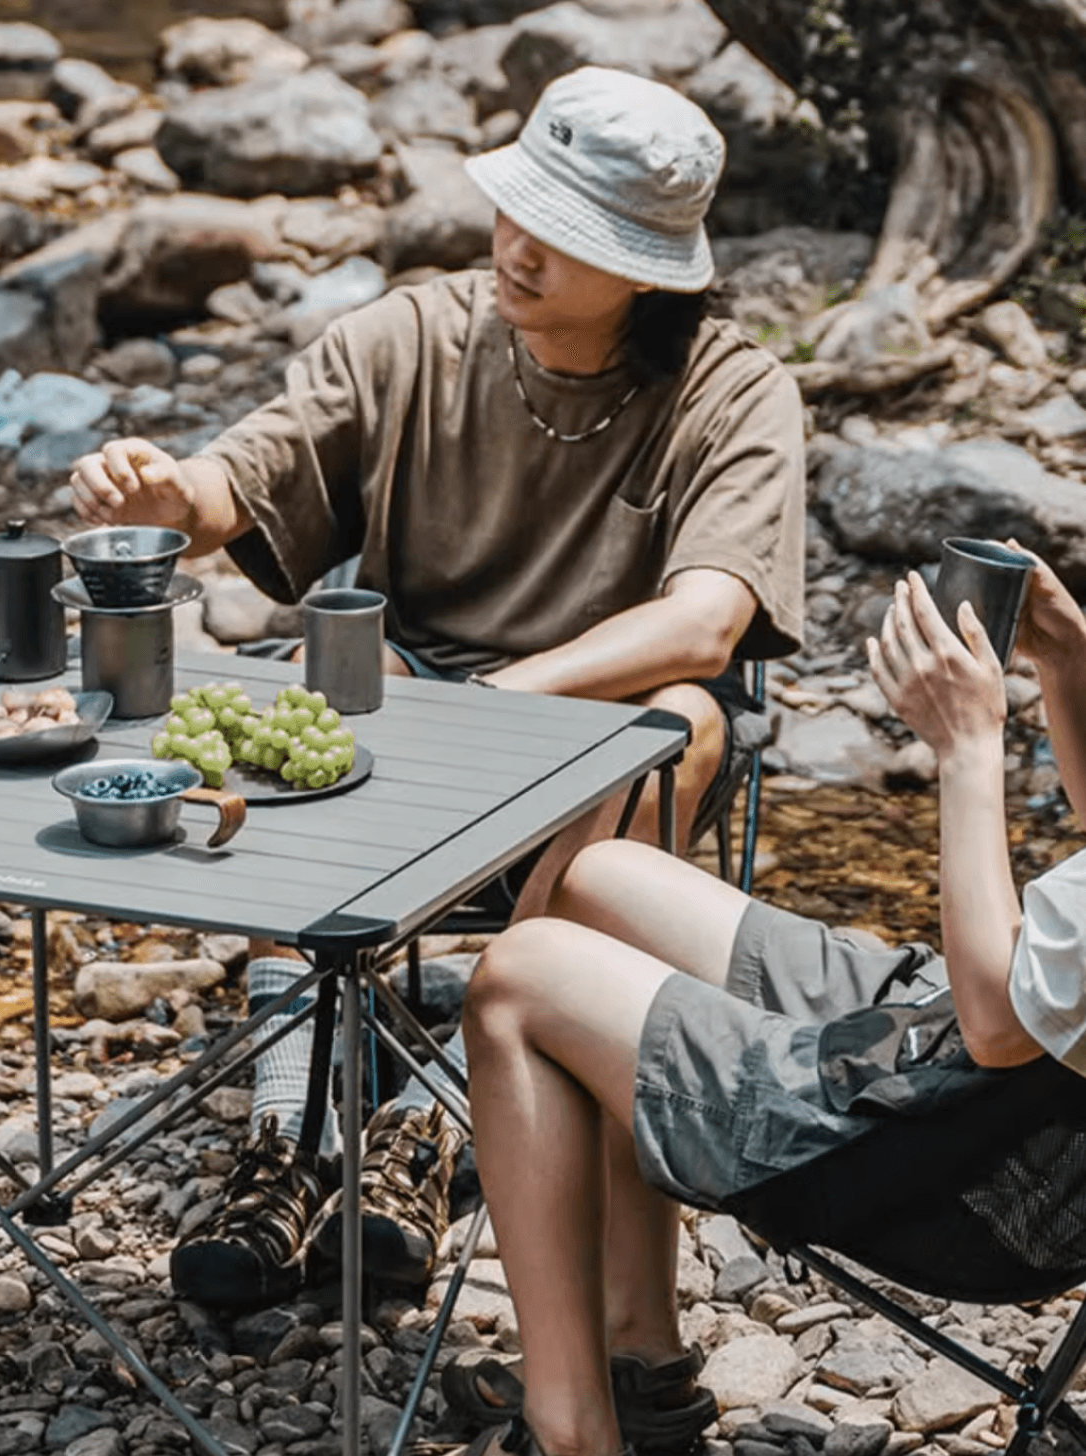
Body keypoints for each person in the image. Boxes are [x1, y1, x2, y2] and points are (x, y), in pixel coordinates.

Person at [69, 66, 807, 1314]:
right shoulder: (413, 334)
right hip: (406, 688)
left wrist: (507, 700)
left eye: (566, 237)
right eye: (519, 209)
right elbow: (239, 475)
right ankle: (285, 1139)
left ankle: (428, 1123)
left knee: (677, 721)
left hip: (592, 722)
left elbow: (707, 618)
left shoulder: (731, 392)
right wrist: (162, 499)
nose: (518, 248)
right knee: (302, 676)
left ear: (650, 272)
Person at [451, 548, 1086, 1456]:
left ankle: (571, 1431)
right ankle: (639, 1355)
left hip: (953, 1162)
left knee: (518, 979)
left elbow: (994, 1030)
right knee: (602, 881)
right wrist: (1066, 660)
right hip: (980, 1065)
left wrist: (968, 744)